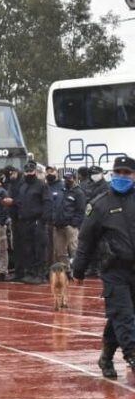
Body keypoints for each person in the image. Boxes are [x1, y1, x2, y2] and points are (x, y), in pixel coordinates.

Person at [73, 155, 135, 379]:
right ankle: (132, 356)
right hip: (114, 270)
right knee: (123, 315)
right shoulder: (100, 204)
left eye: (126, 173)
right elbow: (86, 240)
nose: (121, 176)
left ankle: (106, 356)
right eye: (118, 172)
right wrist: (78, 270)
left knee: (120, 317)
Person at [12, 161, 52, 284]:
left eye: (31, 171)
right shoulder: (23, 186)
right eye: (27, 171)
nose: (29, 173)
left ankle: (40, 274)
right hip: (25, 221)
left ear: (35, 171)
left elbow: (47, 202)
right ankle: (30, 273)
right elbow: (19, 202)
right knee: (27, 249)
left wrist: (43, 220)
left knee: (39, 248)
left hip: (37, 221)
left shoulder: (41, 185)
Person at [52, 169, 85, 270]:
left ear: (74, 179)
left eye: (69, 178)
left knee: (74, 249)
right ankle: (66, 269)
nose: (67, 180)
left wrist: (74, 223)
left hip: (70, 226)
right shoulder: (61, 191)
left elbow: (81, 210)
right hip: (59, 225)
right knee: (60, 250)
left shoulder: (79, 192)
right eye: (65, 178)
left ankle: (78, 270)